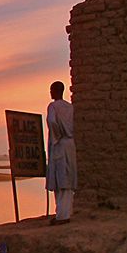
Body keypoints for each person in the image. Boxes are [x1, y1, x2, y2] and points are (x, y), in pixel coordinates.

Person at [46, 81, 77, 225]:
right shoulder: (70, 107)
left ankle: (62, 216)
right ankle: (63, 213)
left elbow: (52, 122)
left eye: (51, 90)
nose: (50, 92)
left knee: (61, 180)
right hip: (70, 144)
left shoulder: (53, 106)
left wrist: (56, 136)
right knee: (67, 177)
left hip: (60, 144)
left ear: (56, 91)